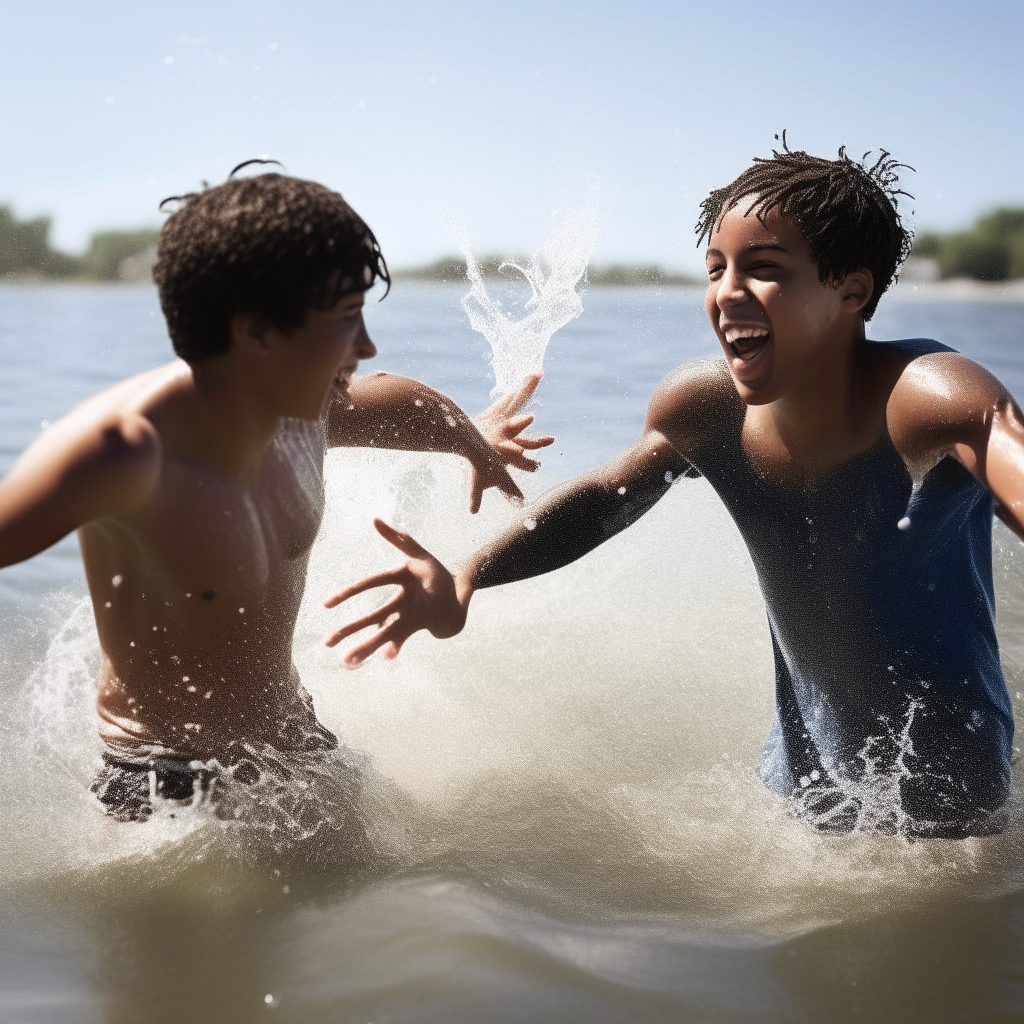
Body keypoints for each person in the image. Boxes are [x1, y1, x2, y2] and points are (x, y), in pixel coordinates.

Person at [325, 143, 1024, 839]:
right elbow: (607, 496)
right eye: (717, 269)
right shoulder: (707, 409)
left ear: (852, 290)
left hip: (952, 790)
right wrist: (471, 573)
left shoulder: (926, 398)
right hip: (798, 774)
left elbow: (1009, 455)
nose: (727, 293)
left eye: (765, 270)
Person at [0, 165, 552, 822]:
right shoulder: (127, 451)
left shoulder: (303, 407)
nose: (366, 345)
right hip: (164, 790)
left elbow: (400, 398)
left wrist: (470, 436)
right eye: (346, 319)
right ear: (257, 332)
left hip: (300, 747)